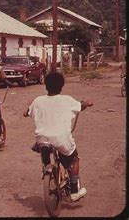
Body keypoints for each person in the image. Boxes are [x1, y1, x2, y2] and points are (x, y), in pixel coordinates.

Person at [23, 72, 93, 202]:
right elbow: (81, 106)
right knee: (74, 160)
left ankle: (47, 169)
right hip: (61, 139)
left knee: (44, 146)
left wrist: (28, 109)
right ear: (62, 86)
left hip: (42, 139)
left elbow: (26, 112)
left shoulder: (38, 100)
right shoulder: (67, 100)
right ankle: (74, 191)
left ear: (45, 85)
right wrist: (87, 103)